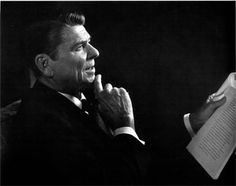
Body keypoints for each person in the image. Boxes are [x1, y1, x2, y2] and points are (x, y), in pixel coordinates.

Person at [1, 12, 226, 185]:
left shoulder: (73, 99)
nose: (95, 52)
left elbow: (140, 149)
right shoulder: (41, 124)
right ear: (45, 64)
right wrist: (124, 125)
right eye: (80, 47)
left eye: (89, 42)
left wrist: (193, 122)